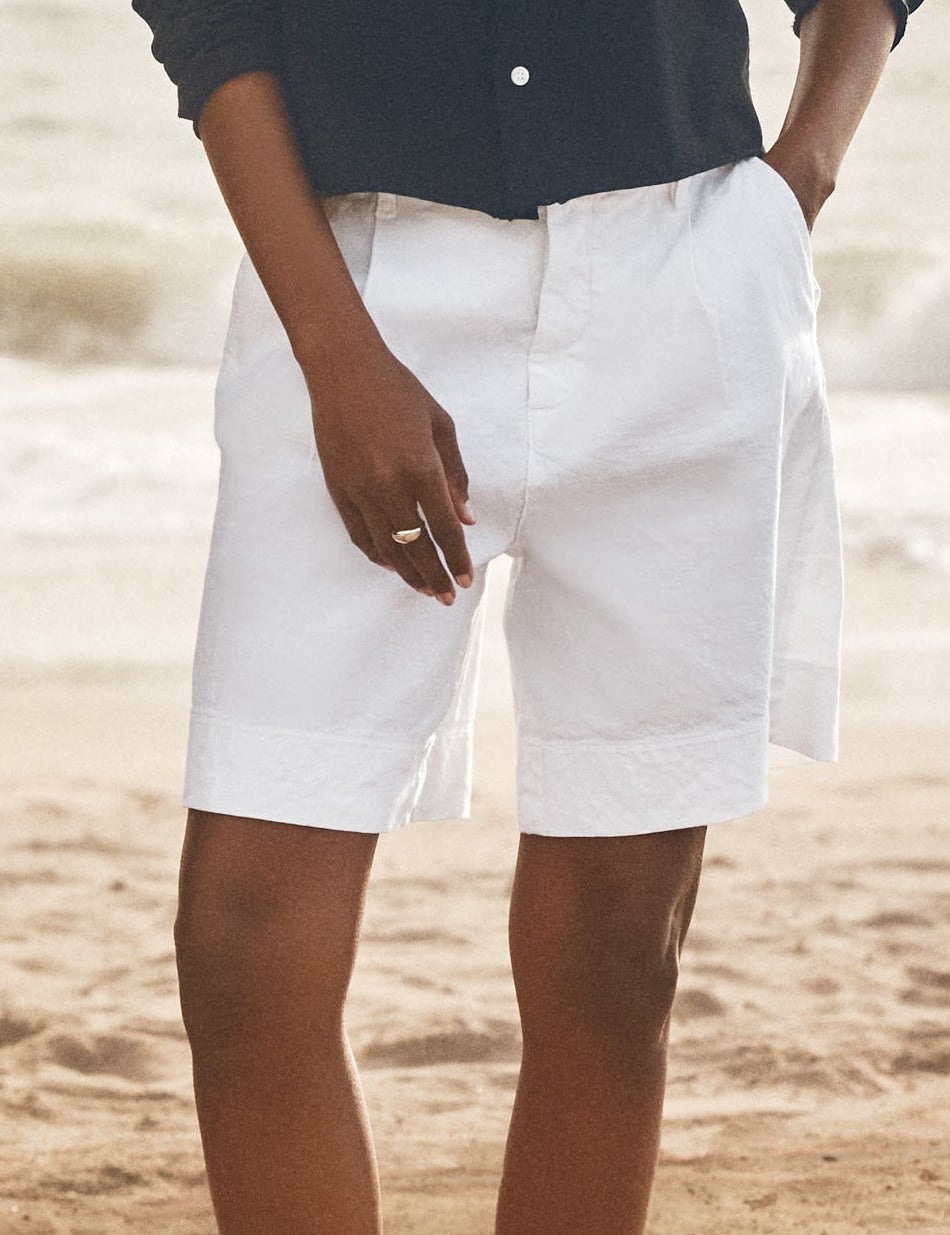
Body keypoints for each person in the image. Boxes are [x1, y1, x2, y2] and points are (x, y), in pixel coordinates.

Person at [129, 2, 924, 1232]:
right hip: (353, 283)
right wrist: (336, 351)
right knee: (244, 937)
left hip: (685, 286)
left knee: (616, 957)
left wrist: (801, 172)